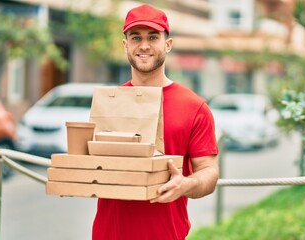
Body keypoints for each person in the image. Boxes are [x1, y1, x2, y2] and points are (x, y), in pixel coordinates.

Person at [92, 4, 219, 240]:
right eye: (135, 37)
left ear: (167, 44)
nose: (144, 45)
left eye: (153, 37)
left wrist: (186, 185)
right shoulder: (109, 103)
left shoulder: (195, 107)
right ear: (125, 45)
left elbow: (209, 173)